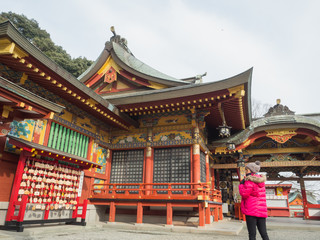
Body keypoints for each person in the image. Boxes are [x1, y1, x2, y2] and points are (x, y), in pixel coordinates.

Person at [239, 161, 269, 240]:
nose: (245, 171)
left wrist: (241, 184)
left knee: (252, 234)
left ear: (249, 170)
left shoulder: (249, 181)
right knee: (264, 233)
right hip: (261, 210)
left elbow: (244, 194)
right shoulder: (261, 181)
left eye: (246, 170)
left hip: (251, 210)